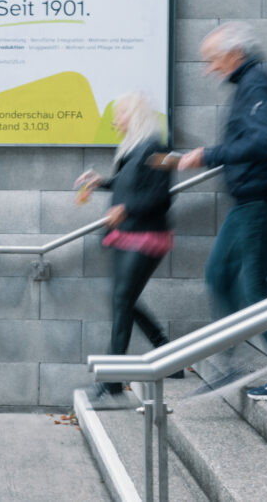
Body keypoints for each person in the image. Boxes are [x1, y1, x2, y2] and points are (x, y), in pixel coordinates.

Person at [177, 21, 267, 402]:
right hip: (249, 202)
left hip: (264, 203)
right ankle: (231, 358)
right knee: (219, 272)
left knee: (254, 288)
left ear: (235, 53)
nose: (209, 68)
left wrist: (209, 154)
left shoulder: (258, 83)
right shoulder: (250, 84)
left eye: (212, 59)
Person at [74, 92, 179, 401]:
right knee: (125, 300)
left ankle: (113, 381)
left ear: (133, 115)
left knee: (122, 299)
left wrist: (127, 209)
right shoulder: (132, 148)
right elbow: (128, 184)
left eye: (119, 114)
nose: (114, 119)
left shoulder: (157, 147)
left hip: (146, 237)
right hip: (126, 234)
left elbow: (162, 196)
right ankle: (167, 352)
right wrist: (100, 182)